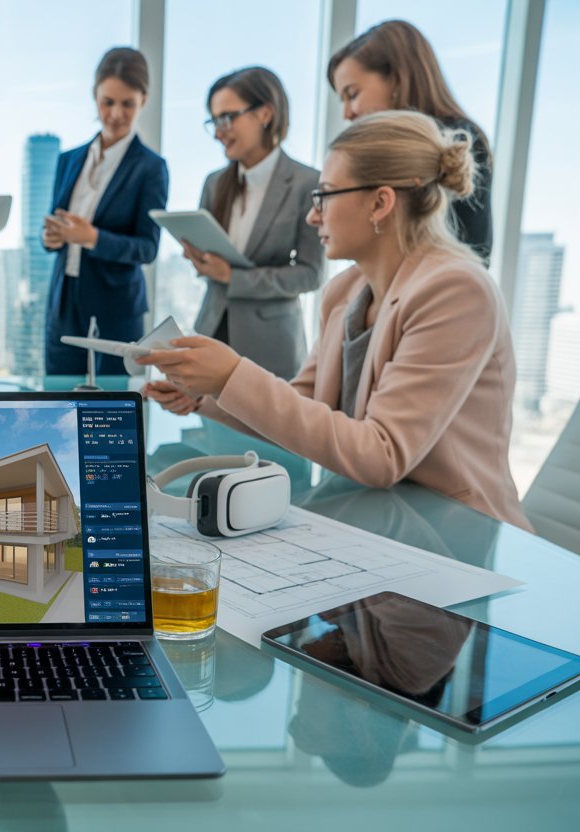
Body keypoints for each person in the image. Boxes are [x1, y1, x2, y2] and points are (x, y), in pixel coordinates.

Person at [138, 111, 530, 530]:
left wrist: (232, 373)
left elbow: (382, 455)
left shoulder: (457, 291)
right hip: (373, 517)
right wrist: (209, 394)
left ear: (380, 202)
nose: (312, 216)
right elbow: (304, 409)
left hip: (453, 532)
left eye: (323, 195)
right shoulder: (345, 292)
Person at [188, 67, 324, 381]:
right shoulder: (215, 183)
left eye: (227, 118)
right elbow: (210, 265)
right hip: (212, 331)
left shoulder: (307, 183)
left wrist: (233, 277)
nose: (219, 132)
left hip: (270, 346)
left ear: (264, 113)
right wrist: (201, 261)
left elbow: (310, 275)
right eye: (214, 122)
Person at [42, 47, 169, 376]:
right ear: (94, 97)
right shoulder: (69, 159)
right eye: (107, 102)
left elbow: (148, 247)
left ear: (144, 100)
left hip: (116, 307)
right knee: (57, 402)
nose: (115, 114)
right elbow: (54, 226)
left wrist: (92, 237)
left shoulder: (150, 168)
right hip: (64, 301)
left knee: (113, 407)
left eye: (127, 104)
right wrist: (52, 237)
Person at [328, 19, 493, 264]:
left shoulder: (458, 141)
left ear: (396, 79)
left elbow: (475, 249)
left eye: (352, 94)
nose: (347, 113)